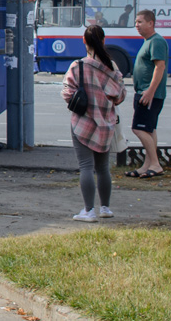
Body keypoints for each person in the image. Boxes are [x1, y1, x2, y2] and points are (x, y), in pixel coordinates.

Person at [62, 24, 126, 222]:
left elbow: (66, 92)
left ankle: (89, 211)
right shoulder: (112, 67)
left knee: (86, 167)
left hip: (83, 123)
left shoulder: (78, 66)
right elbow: (121, 95)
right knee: (103, 168)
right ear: (104, 40)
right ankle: (105, 208)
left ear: (84, 41)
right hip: (106, 123)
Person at [126, 9, 169, 178]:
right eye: (136, 22)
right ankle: (147, 165)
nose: (137, 25)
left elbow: (160, 67)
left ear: (151, 23)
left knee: (138, 128)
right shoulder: (148, 41)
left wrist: (150, 91)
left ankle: (156, 164)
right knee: (149, 130)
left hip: (149, 94)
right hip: (144, 92)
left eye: (140, 22)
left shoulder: (157, 41)